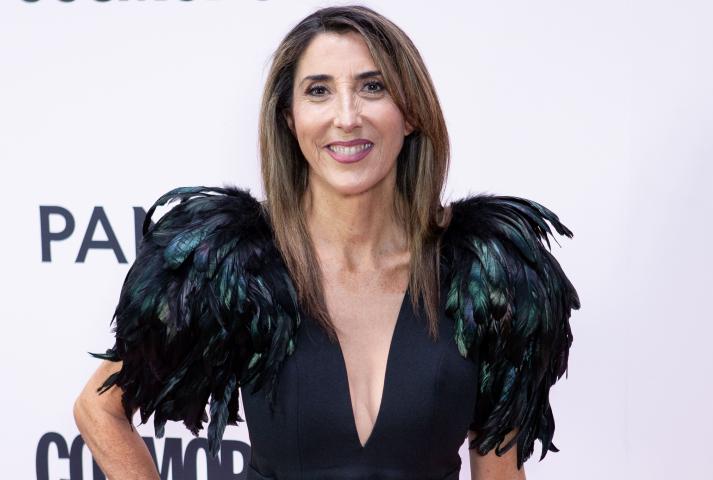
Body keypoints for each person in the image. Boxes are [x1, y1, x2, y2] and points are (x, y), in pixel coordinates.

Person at [73, 5, 580, 480]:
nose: (347, 116)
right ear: (289, 119)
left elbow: (499, 467)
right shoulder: (236, 267)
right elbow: (99, 407)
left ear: (410, 113)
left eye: (373, 87)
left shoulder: (487, 275)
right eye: (318, 91)